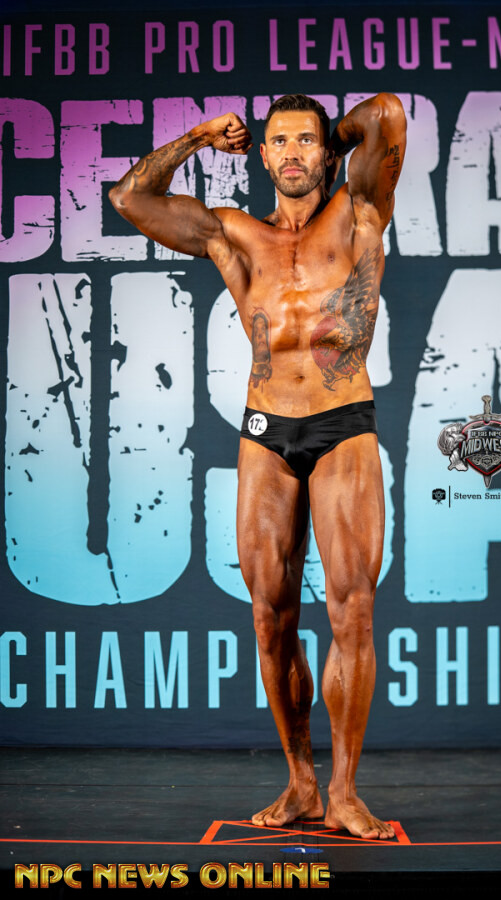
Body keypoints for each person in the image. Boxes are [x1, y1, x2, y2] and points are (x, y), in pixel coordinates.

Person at [110, 92, 406, 839]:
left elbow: (386, 114)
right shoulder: (233, 235)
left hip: (342, 423)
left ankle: (344, 790)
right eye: (281, 142)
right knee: (271, 616)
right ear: (263, 155)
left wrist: (336, 138)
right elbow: (130, 198)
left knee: (352, 609)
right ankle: (301, 782)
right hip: (266, 430)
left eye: (307, 141)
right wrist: (198, 136)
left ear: (326, 151)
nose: (294, 153)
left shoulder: (361, 211)